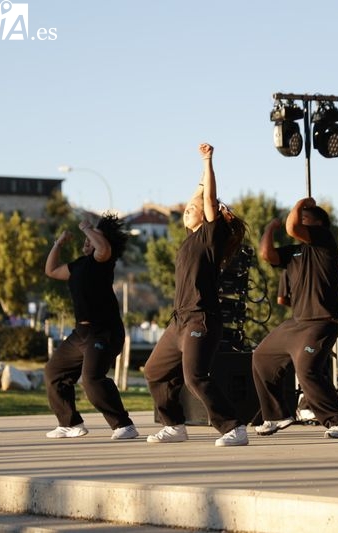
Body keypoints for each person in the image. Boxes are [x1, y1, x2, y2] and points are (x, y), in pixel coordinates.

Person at [143, 143, 249, 447]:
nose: (189, 208)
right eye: (188, 207)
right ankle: (174, 425)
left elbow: (208, 199)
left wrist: (208, 162)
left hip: (201, 319)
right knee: (154, 371)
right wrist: (198, 182)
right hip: (179, 322)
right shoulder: (190, 240)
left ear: (207, 216)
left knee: (195, 377)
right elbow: (199, 196)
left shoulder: (209, 237)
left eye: (195, 208)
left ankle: (234, 427)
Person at [252, 198, 338, 439]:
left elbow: (292, 227)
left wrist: (301, 203)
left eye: (306, 217)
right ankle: (276, 415)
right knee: (262, 357)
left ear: (319, 223)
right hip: (296, 322)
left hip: (321, 321)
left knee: (307, 370)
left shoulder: (324, 240)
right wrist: (269, 229)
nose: (300, 219)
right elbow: (267, 255)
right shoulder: (295, 251)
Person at [43, 215, 138, 440]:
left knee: (92, 379)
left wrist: (86, 227)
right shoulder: (78, 265)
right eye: (87, 237)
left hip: (104, 331)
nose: (88, 240)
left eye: (93, 237)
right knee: (54, 373)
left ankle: (124, 425)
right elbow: (52, 270)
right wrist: (58, 244)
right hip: (81, 333)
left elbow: (103, 247)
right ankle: (70, 424)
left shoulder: (104, 260)